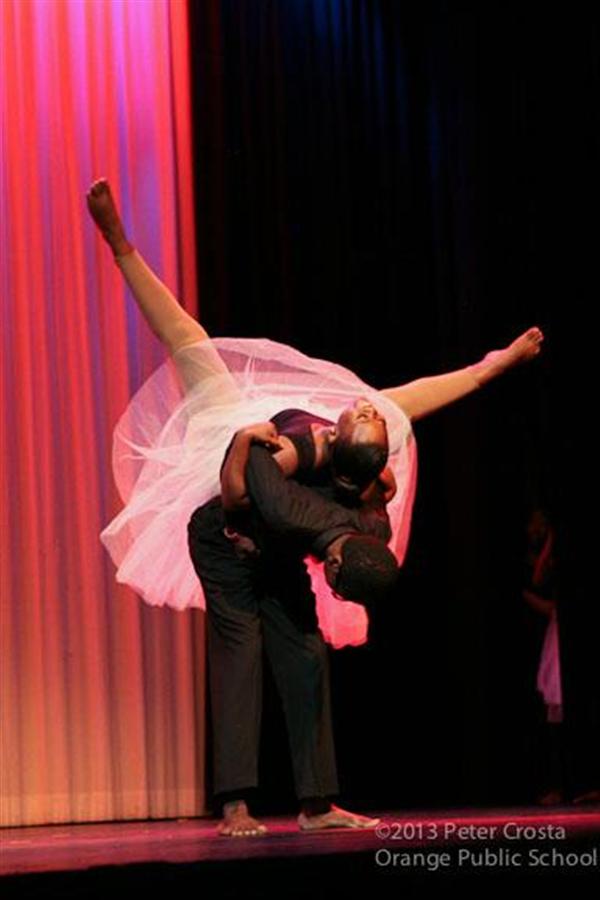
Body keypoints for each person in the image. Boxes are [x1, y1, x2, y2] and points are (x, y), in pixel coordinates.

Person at [87, 178, 545, 832]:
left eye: (366, 417)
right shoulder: (299, 441)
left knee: (304, 654)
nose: (366, 407)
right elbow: (190, 352)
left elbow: (407, 403)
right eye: (364, 412)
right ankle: (236, 803)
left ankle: (316, 802)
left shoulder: (346, 486)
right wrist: (492, 365)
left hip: (265, 521)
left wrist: (494, 367)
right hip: (222, 529)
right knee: (240, 647)